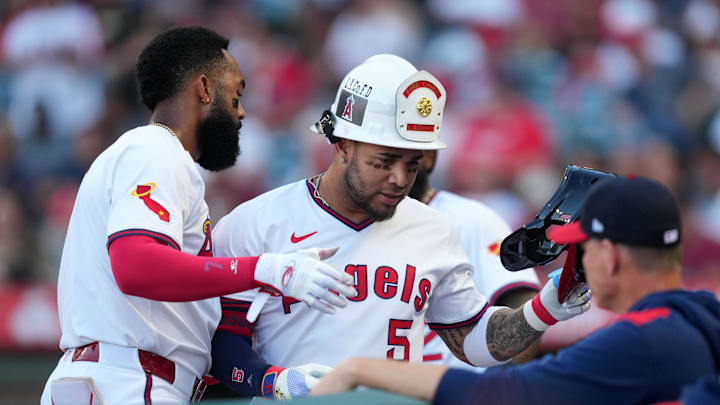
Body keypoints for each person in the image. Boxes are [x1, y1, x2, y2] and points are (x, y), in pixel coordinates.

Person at [208, 54, 590, 400]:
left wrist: (545, 309)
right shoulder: (254, 221)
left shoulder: (433, 228)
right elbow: (220, 343)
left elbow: (472, 342)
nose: (399, 178)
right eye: (385, 160)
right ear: (342, 145)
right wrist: (272, 382)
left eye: (412, 163)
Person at [40, 26, 356, 405]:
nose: (241, 111)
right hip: (128, 381)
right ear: (204, 88)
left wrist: (270, 381)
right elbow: (137, 267)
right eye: (235, 94)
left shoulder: (154, 155)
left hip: (125, 378)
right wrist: (270, 269)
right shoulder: (154, 149)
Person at [311, 176, 720, 405]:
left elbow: (498, 394)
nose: (573, 260)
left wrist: (358, 369)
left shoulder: (640, 340)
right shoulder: (699, 320)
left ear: (610, 256)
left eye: (582, 247)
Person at [407, 151, 540, 367]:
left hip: (453, 385)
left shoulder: (471, 218)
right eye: (385, 160)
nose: (396, 174)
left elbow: (521, 300)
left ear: (429, 158)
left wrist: (501, 379)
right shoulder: (350, 221)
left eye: (407, 158)